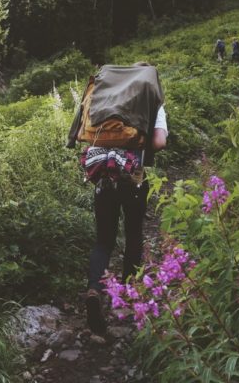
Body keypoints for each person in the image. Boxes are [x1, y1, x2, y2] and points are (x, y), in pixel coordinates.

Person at [68, 63, 168, 335]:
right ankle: (128, 297)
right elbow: (159, 142)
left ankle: (94, 289)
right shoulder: (151, 101)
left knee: (103, 240)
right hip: (133, 178)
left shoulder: (105, 96)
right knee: (133, 235)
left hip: (103, 175)